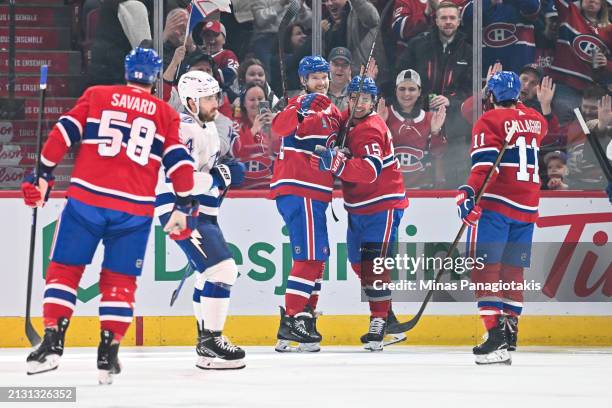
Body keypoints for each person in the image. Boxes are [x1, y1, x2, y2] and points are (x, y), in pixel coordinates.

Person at [21, 47, 197, 383]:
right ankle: (108, 353)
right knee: (120, 281)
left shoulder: (97, 95)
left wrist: (43, 174)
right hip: (134, 208)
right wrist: (185, 204)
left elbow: (62, 133)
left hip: (87, 198)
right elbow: (179, 162)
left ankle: (52, 344)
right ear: (156, 77)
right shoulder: (164, 113)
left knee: (65, 270)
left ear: (127, 70)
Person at [155, 71, 246, 369]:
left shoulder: (205, 128)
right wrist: (215, 178)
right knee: (223, 269)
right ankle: (211, 339)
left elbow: (207, 176)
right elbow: (179, 179)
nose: (215, 102)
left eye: (215, 96)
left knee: (207, 274)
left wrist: (223, 175)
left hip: (201, 212)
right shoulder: (183, 129)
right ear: (191, 101)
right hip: (180, 211)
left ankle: (204, 342)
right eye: (208, 97)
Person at [456, 71, 547, 365]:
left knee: (485, 270)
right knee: (513, 271)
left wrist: (467, 193)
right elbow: (539, 127)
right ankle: (510, 332)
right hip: (528, 207)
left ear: (491, 96)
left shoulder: (489, 121)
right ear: (518, 95)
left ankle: (494, 336)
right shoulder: (535, 119)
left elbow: (485, 168)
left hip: (499, 206)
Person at [311, 76, 408, 351]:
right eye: (355, 98)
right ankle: (388, 316)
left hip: (382, 204)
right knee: (357, 262)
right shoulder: (348, 119)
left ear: (374, 102)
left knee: (373, 264)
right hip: (357, 207)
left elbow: (368, 171)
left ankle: (378, 321)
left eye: (366, 98)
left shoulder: (371, 128)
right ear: (349, 99)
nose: (360, 103)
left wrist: (337, 163)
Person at [270, 56, 343, 352]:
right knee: (309, 257)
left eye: (324, 76)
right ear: (303, 81)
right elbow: (278, 128)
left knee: (318, 258)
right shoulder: (296, 104)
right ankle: (292, 319)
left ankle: (303, 320)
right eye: (314, 77)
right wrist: (300, 107)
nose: (321, 82)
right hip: (300, 188)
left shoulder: (335, 109)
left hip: (317, 192)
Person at [378, 69, 448, 189]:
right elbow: (374, 152)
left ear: (419, 91)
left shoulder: (430, 118)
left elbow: (439, 154)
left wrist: (436, 132)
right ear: (396, 91)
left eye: (412, 89)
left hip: (422, 191)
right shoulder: (385, 113)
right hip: (388, 190)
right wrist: (379, 125)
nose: (406, 94)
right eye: (402, 89)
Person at [232, 83, 279, 189]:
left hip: (270, 188)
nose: (257, 103)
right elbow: (236, 153)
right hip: (240, 190)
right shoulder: (235, 125)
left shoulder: (277, 123)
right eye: (252, 99)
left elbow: (280, 154)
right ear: (244, 103)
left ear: (266, 101)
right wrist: (253, 130)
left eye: (260, 98)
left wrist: (275, 130)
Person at [327, 47, 353, 112]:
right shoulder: (319, 91)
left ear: (350, 70)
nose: (340, 68)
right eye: (336, 64)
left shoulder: (356, 94)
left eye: (344, 65)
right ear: (328, 67)